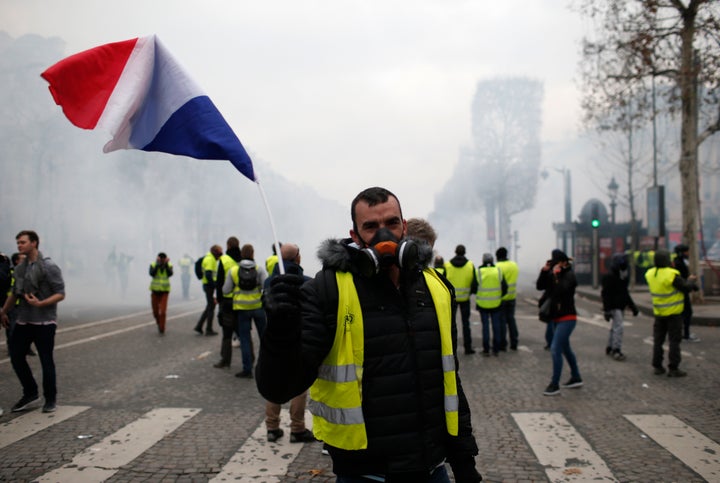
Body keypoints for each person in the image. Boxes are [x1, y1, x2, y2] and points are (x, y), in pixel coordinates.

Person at [257, 187, 481, 483]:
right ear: (355, 234)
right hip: (365, 474)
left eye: (391, 223)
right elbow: (279, 388)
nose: (383, 234)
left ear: (404, 226)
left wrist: (465, 463)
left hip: (433, 470)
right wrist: (279, 332)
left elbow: (449, 381)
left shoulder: (434, 287)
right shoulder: (327, 291)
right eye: (371, 227)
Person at [0, 230, 66, 413]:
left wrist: (41, 303)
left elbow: (60, 293)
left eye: (22, 242)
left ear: (34, 243)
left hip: (45, 321)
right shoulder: (21, 268)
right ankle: (30, 392)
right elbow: (15, 293)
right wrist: (4, 312)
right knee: (16, 356)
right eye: (18, 243)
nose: (19, 246)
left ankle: (50, 399)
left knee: (46, 360)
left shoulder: (48, 266)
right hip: (24, 319)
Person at [262, 243, 316, 443]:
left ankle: (272, 426)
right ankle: (297, 428)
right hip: (298, 339)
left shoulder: (269, 282)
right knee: (299, 386)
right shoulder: (306, 282)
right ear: (298, 258)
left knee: (274, 380)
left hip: (273, 339)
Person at [536, 249, 583, 396]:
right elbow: (540, 286)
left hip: (567, 317)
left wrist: (557, 276)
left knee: (555, 348)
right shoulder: (555, 273)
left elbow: (561, 291)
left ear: (563, 263)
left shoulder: (570, 275)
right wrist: (544, 272)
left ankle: (554, 384)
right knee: (565, 348)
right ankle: (576, 377)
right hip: (556, 317)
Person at [645, 249, 698, 377]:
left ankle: (657, 366)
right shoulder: (671, 275)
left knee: (658, 341)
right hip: (674, 313)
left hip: (659, 312)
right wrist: (691, 280)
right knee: (674, 341)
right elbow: (685, 288)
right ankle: (673, 368)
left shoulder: (650, 274)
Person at [224, 243, 267, 378]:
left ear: (242, 254)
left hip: (242, 310)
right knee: (264, 338)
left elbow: (225, 290)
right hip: (258, 307)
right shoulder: (259, 269)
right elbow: (266, 286)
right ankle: (266, 366)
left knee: (245, 340)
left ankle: (247, 369)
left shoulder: (234, 270)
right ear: (253, 253)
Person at [600, 253, 639, 361]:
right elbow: (606, 294)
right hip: (615, 306)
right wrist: (607, 309)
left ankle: (610, 347)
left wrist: (632, 306)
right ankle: (615, 349)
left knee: (615, 327)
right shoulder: (613, 277)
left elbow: (624, 293)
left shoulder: (619, 276)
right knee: (618, 328)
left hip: (617, 306)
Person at [444, 244, 479, 355]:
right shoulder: (470, 265)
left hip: (452, 299)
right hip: (465, 299)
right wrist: (470, 292)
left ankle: (451, 349)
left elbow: (443, 281)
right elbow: (475, 283)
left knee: (451, 324)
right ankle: (467, 347)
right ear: (464, 252)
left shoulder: (448, 265)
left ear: (455, 252)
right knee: (466, 324)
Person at [213, 237, 241, 369]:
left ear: (228, 246)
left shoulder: (224, 260)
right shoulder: (244, 259)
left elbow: (219, 282)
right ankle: (249, 360)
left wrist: (218, 299)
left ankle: (225, 360)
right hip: (241, 301)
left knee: (227, 332)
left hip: (227, 301)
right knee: (243, 333)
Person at [476, 253, 507, 356]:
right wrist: (499, 296)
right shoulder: (498, 271)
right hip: (496, 303)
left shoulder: (479, 271)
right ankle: (496, 349)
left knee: (485, 326)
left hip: (482, 304)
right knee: (496, 326)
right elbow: (505, 287)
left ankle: (486, 349)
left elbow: (474, 287)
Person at [673, 244, 700, 342]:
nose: (688, 254)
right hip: (682, 292)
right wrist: (692, 283)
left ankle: (681, 333)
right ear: (681, 253)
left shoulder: (677, 262)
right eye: (686, 252)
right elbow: (684, 279)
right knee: (687, 313)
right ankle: (686, 334)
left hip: (680, 292)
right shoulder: (679, 264)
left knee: (682, 314)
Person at [495, 247, 519, 351]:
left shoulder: (497, 266)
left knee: (502, 321)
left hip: (501, 298)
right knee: (511, 320)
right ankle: (514, 342)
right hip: (512, 297)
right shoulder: (514, 265)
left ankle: (502, 344)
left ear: (497, 256)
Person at [195, 245, 222, 336]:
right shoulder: (210, 259)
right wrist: (215, 285)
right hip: (209, 286)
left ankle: (199, 326)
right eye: (220, 253)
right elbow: (208, 274)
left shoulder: (210, 258)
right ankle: (208, 329)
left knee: (210, 306)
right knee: (211, 308)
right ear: (215, 252)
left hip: (208, 285)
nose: (221, 255)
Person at [149, 252, 173, 334]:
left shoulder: (169, 265)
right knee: (155, 312)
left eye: (163, 258)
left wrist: (165, 264)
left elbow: (170, 274)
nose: (162, 260)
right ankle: (159, 322)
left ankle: (162, 328)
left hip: (164, 291)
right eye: (161, 258)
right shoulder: (153, 264)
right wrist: (158, 264)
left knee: (162, 311)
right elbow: (152, 273)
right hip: (155, 291)